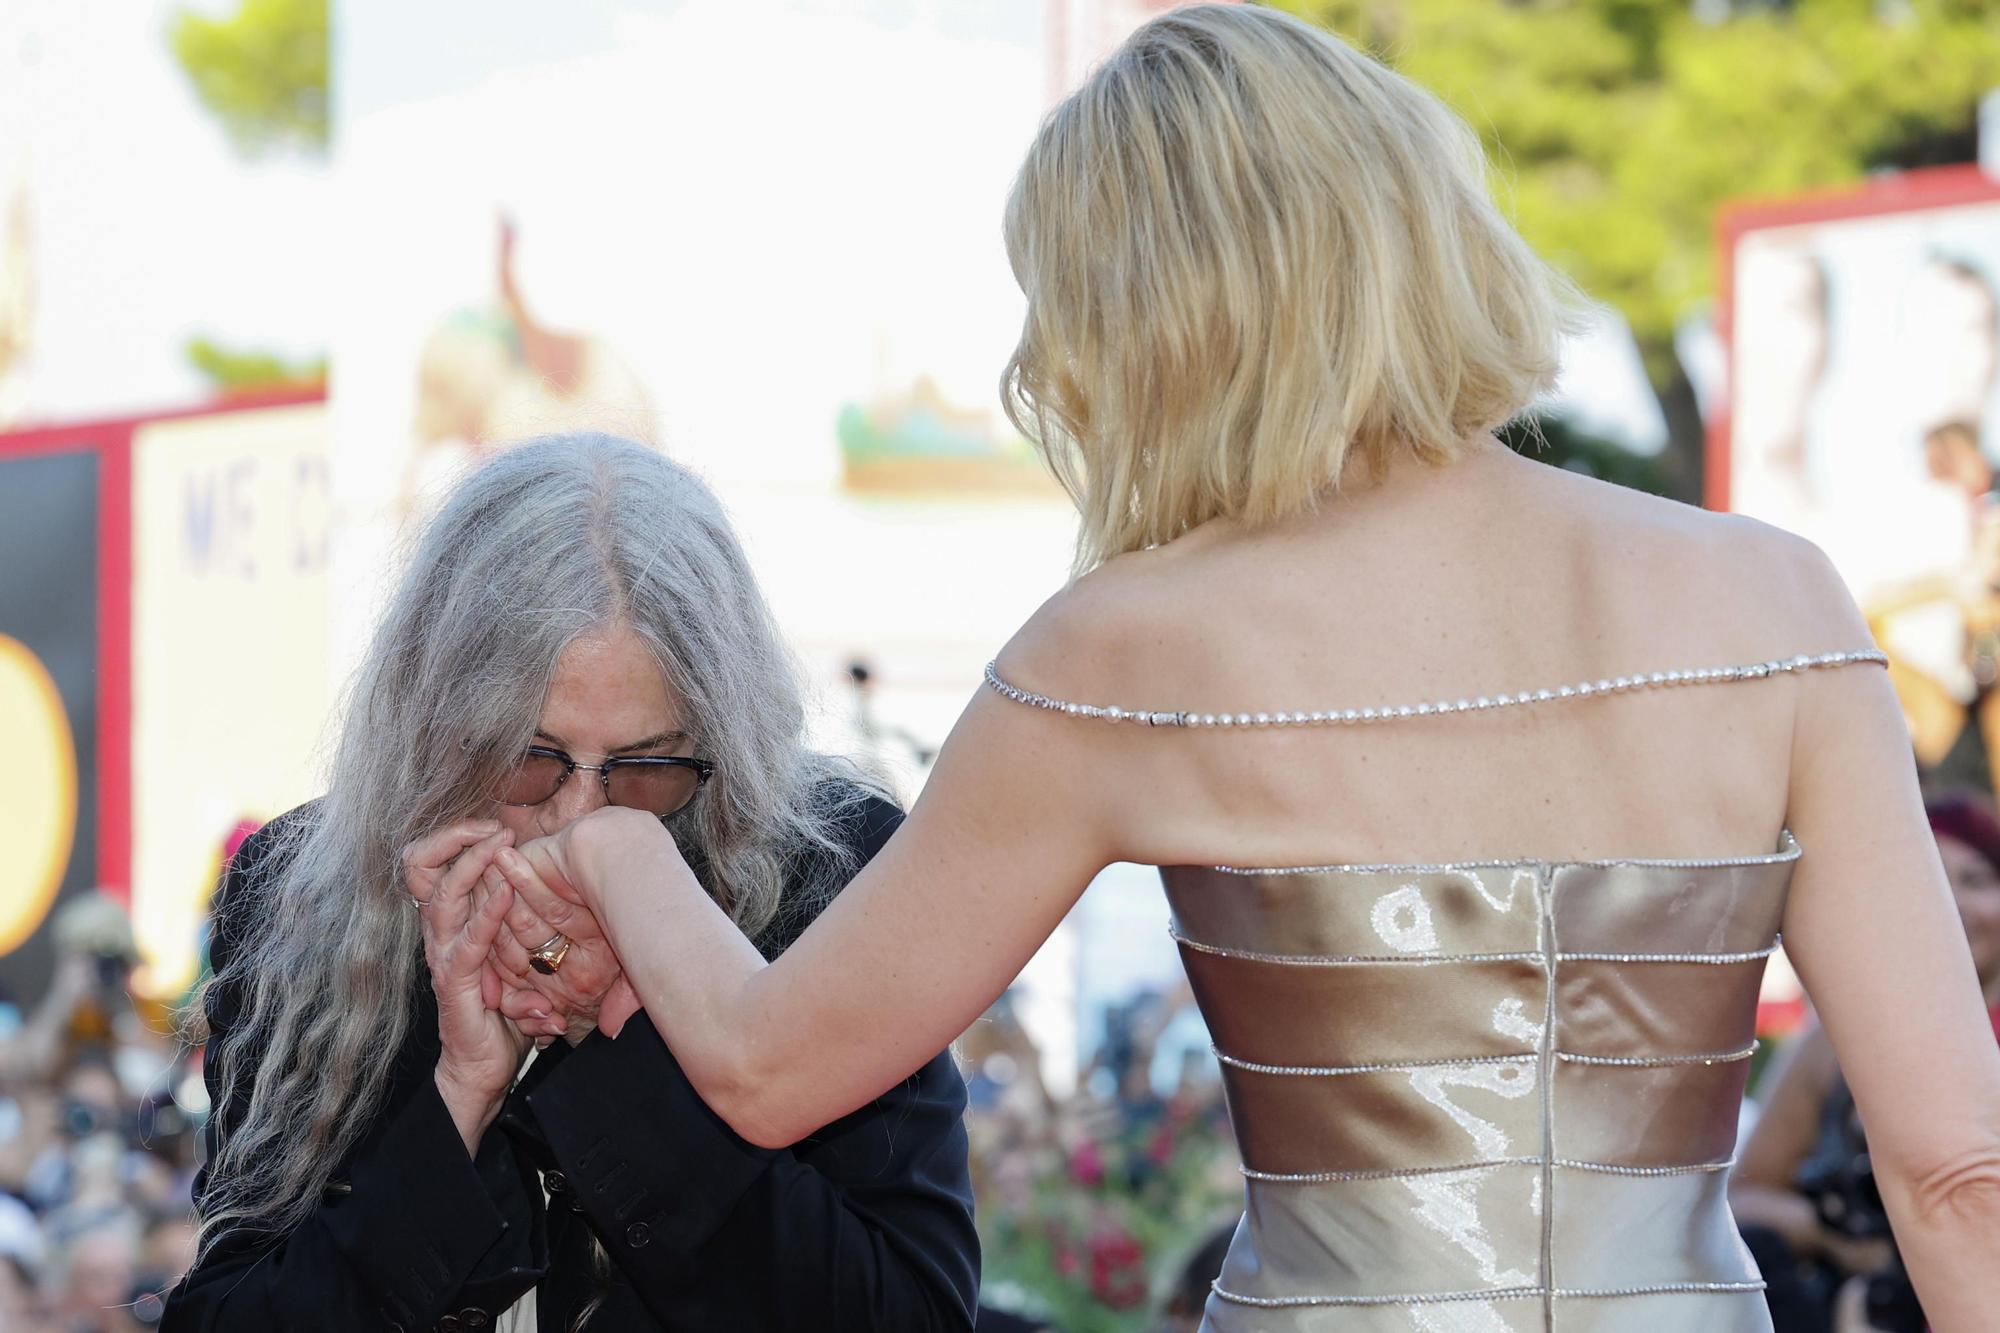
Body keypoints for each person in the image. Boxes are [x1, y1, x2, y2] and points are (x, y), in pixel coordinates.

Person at [486, 7, 2000, 1331]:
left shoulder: (1120, 656)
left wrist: (614, 844)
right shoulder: (1777, 600)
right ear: (1419, 225)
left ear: (1131, 324)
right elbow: (1958, 1178)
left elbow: (764, 1066)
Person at [162, 436, 979, 1331]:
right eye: (529, 758)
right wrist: (459, 1097)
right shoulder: (303, 897)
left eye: (648, 768)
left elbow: (911, 1312)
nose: (584, 820)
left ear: (723, 747)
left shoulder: (831, 878)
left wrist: (615, 1039)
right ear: (434, 731)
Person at [1732, 791, 2000, 1332]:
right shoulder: (1838, 1036)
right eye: (1927, 878)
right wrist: (1844, 1241)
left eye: (1975, 880)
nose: (1950, 902)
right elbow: (1745, 1197)